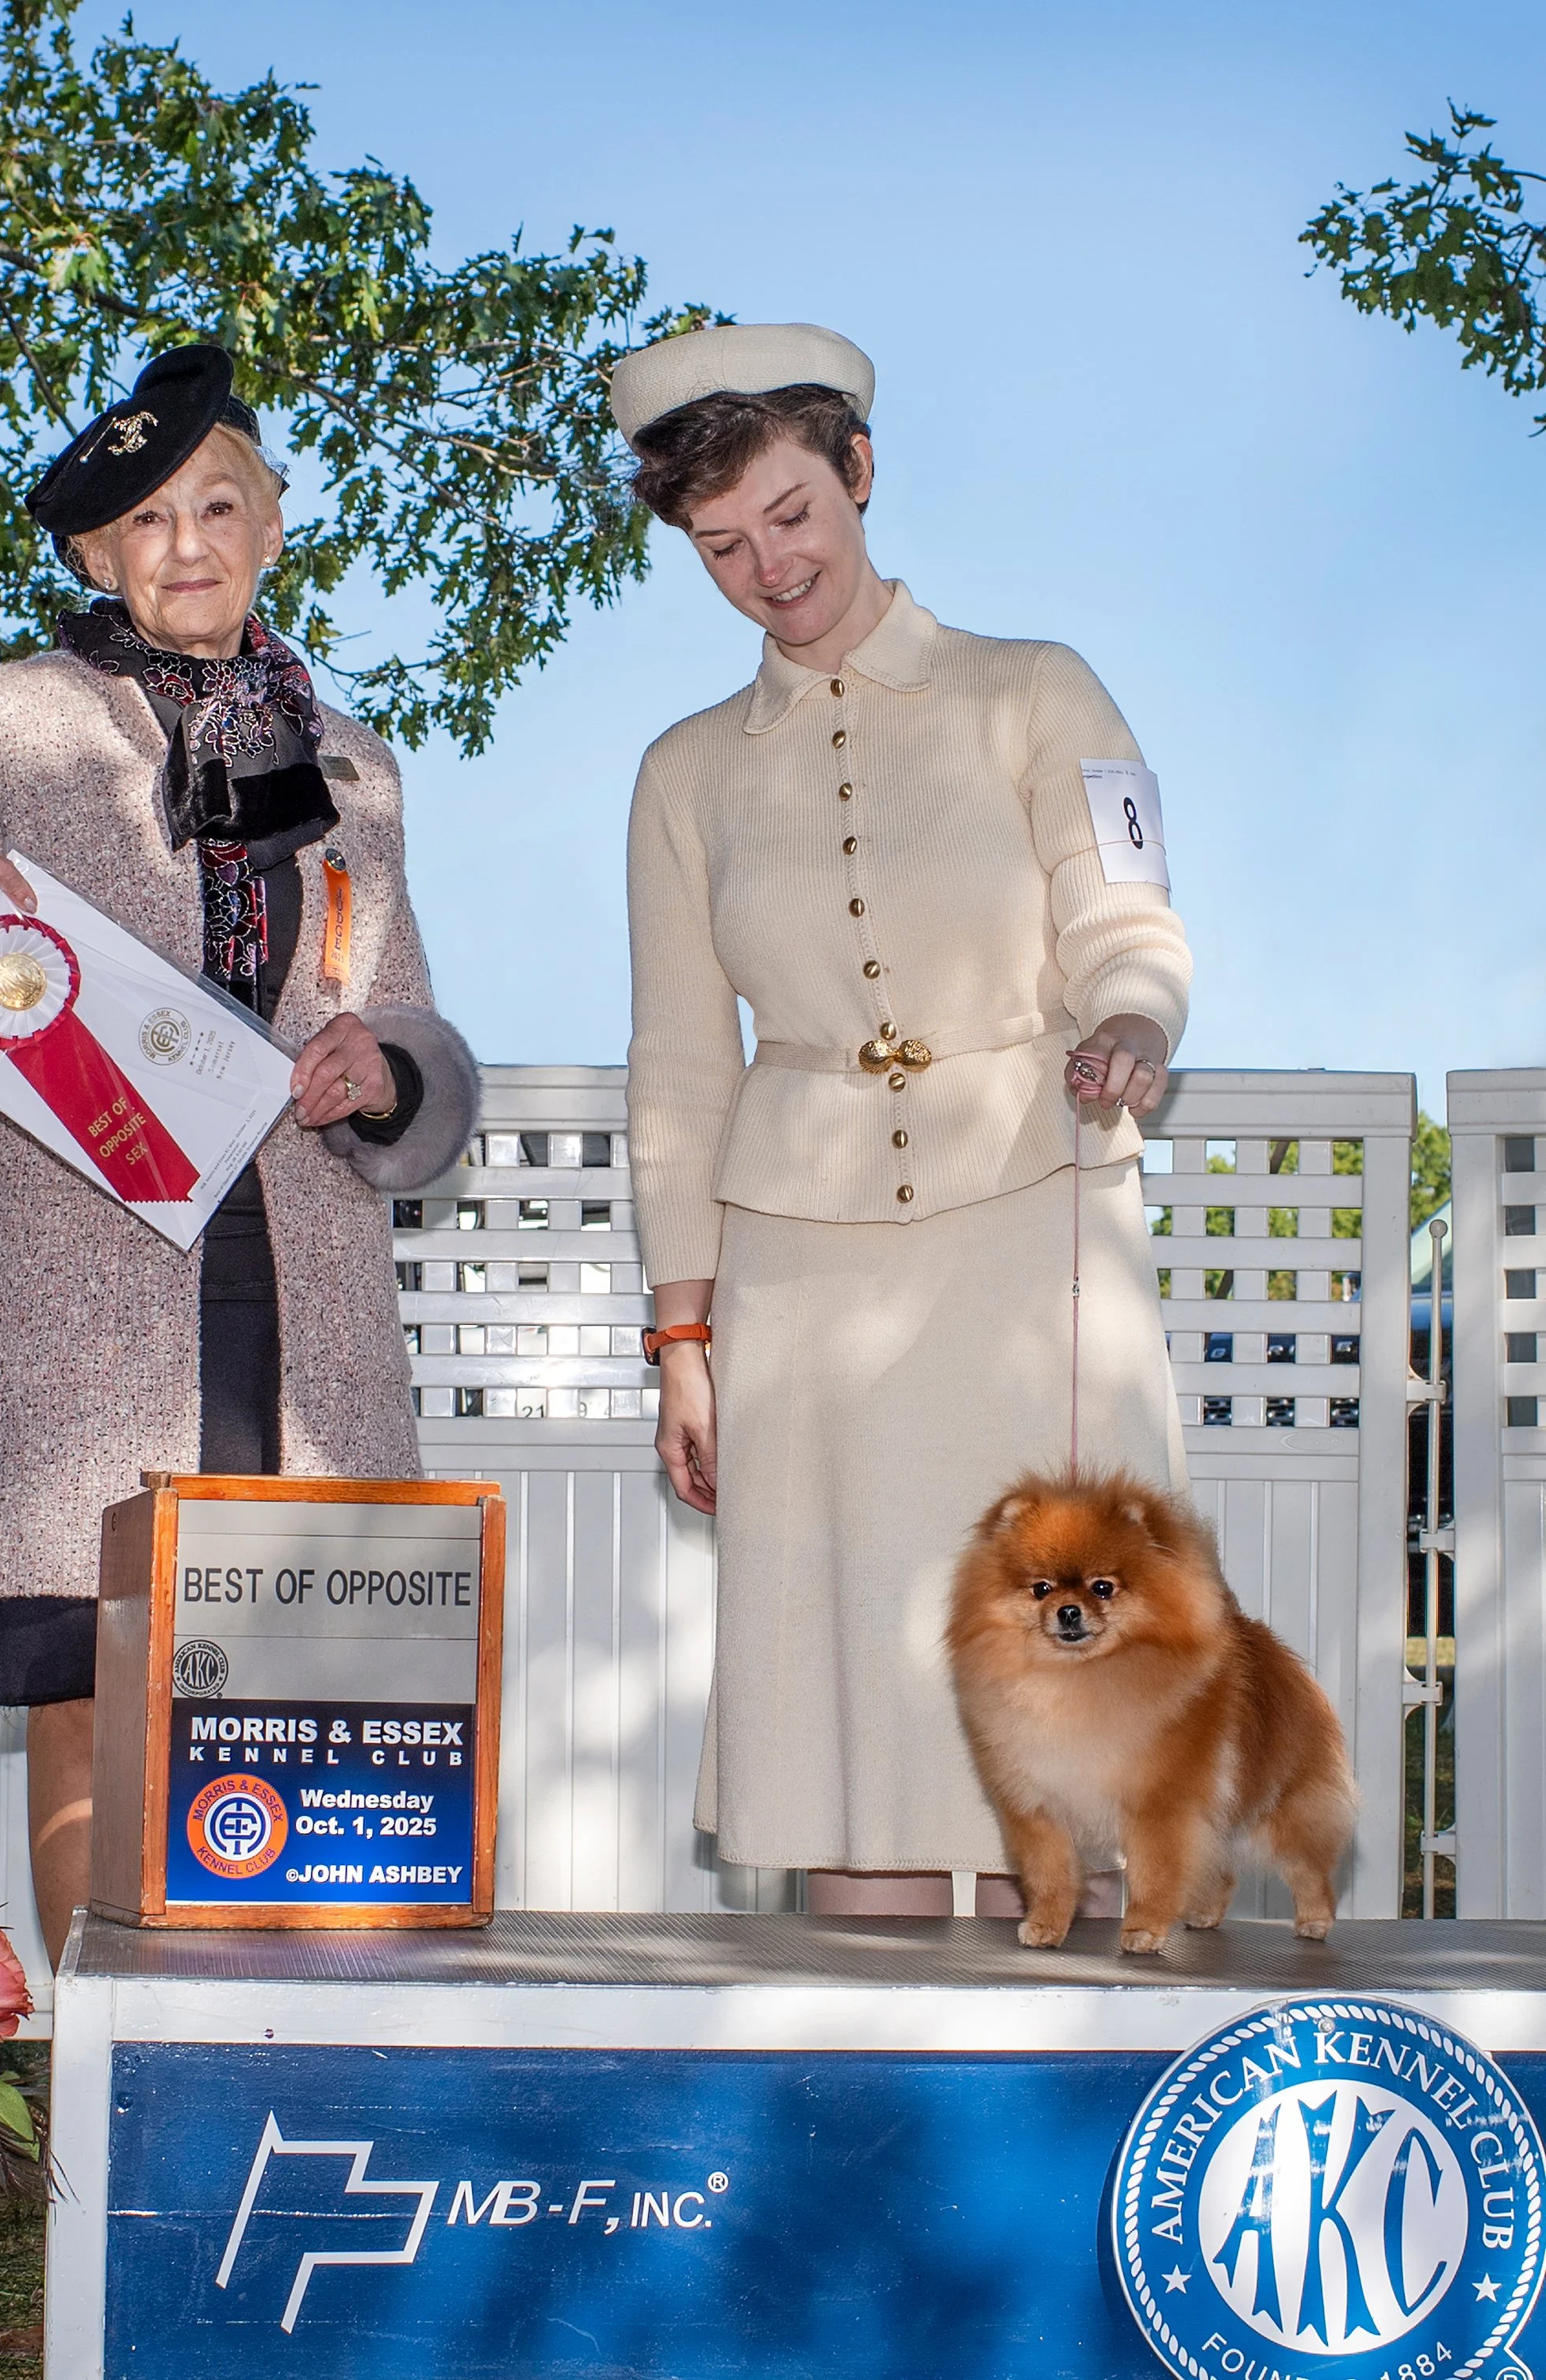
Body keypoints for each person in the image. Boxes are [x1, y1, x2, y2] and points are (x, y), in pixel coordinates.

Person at [0, 344, 478, 1965]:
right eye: (146, 520)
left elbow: (411, 1025)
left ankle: (286, 2113)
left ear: (269, 527)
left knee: (310, 1734)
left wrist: (378, 1063)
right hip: (82, 1304)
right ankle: (104, 2138)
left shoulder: (360, 768)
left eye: (218, 504)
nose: (187, 541)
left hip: (302, 1304)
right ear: (94, 558)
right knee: (98, 1712)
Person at [612, 323, 1191, 1920]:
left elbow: (1122, 907)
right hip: (801, 1282)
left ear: (859, 473)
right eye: (721, 546)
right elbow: (678, 1064)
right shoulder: (684, 776)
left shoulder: (1039, 687)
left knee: (1054, 1689)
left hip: (1035, 1227)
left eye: (792, 514)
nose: (767, 567)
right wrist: (684, 1339)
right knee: (846, 1719)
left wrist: (1135, 1014)